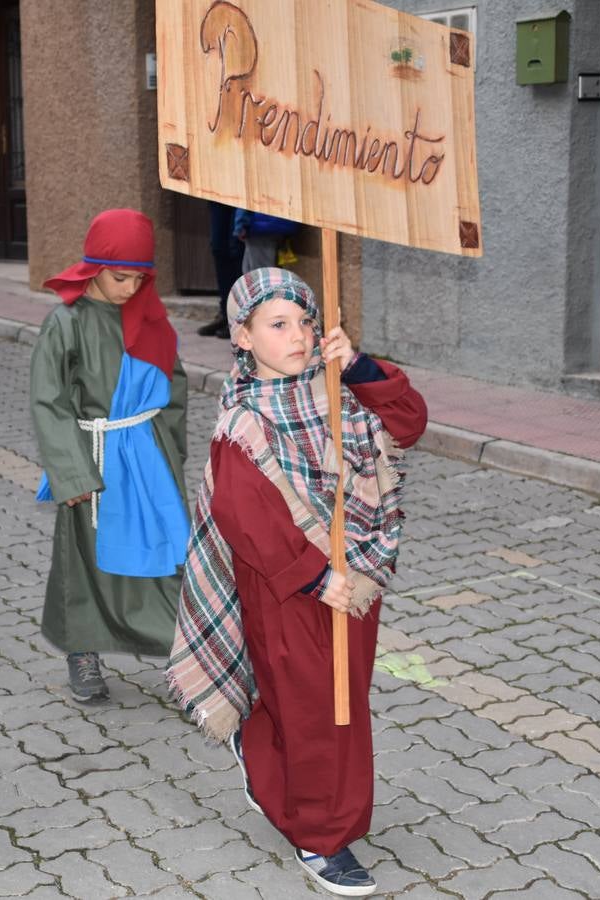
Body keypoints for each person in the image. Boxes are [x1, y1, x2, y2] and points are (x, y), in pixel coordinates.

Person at [168, 268, 427, 896]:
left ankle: (272, 764)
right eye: (278, 324)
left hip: (358, 576)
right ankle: (318, 835)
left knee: (341, 696)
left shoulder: (339, 389)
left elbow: (410, 422)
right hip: (288, 585)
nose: (299, 336)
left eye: (306, 322)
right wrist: (315, 577)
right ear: (243, 336)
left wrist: (359, 365)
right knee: (311, 701)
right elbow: (244, 515)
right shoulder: (246, 417)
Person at [30, 208, 191, 704]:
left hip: (146, 457)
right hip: (93, 460)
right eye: (120, 277)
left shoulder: (149, 319)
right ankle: (83, 650)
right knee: (85, 560)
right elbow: (48, 399)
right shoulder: (66, 322)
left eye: (139, 279)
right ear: (94, 268)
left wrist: (169, 452)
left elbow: (174, 387)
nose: (128, 288)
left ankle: (185, 658)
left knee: (166, 554)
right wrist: (71, 470)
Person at [197, 201, 244, 339]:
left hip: (242, 191)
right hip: (218, 190)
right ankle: (225, 313)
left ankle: (239, 316)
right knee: (218, 246)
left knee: (236, 248)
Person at [234, 209, 299, 272]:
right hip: (280, 224)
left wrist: (240, 225)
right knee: (254, 273)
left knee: (260, 274)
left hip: (260, 226)